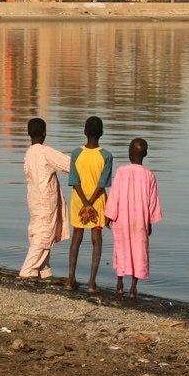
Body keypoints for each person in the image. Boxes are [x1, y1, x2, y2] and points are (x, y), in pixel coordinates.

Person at [105, 138, 164, 300]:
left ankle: (119, 283)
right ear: (145, 154)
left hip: (122, 220)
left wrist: (108, 216)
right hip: (140, 221)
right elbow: (153, 202)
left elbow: (114, 195)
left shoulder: (121, 171)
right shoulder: (149, 175)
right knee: (139, 252)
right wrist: (150, 222)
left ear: (129, 153)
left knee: (121, 249)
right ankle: (133, 288)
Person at [19, 117, 70, 279]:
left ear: (29, 134)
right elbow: (68, 164)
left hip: (34, 198)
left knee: (39, 231)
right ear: (44, 133)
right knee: (44, 234)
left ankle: (44, 270)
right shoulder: (45, 152)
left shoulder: (29, 153)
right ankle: (28, 270)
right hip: (46, 200)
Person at [66, 115, 113, 293]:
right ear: (101, 133)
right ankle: (92, 283)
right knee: (97, 239)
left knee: (76, 238)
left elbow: (74, 180)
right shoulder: (106, 156)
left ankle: (71, 280)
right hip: (98, 201)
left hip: (79, 200)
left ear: (85, 132)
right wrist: (91, 204)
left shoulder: (76, 153)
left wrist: (85, 203)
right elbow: (102, 183)